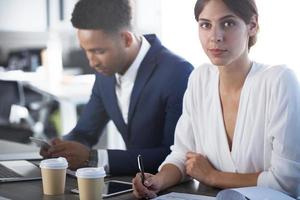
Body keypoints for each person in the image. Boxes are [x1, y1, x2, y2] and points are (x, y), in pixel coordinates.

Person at [133, 0, 300, 198]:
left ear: (252, 25)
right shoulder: (200, 79)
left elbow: (287, 182)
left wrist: (213, 176)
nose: (215, 37)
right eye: (205, 25)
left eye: (228, 23)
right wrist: (156, 181)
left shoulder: (279, 81)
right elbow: (182, 155)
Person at [40, 0, 193, 175]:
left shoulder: (178, 73)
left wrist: (94, 158)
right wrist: (61, 147)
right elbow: (85, 132)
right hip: (130, 183)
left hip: (169, 188)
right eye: (86, 51)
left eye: (99, 51)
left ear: (127, 39)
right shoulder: (105, 73)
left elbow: (174, 155)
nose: (92, 62)